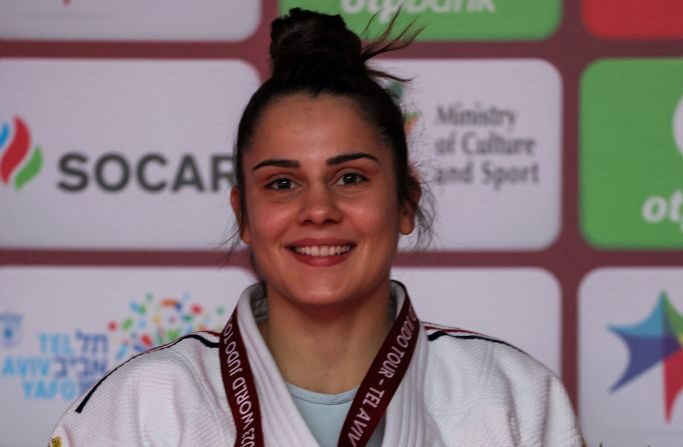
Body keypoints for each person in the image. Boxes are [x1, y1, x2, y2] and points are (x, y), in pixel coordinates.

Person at [50, 8, 583, 447]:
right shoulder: (145, 404)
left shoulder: (510, 396)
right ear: (244, 217)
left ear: (405, 203)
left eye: (350, 177)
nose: (318, 208)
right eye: (282, 183)